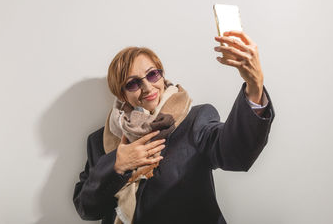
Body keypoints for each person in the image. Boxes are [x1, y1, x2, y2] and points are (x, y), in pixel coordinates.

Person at [73, 30, 275, 224]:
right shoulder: (100, 142)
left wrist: (254, 86)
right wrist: (116, 165)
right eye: (132, 83)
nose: (148, 87)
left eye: (152, 75)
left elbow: (237, 154)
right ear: (121, 94)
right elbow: (87, 209)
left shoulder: (195, 120)